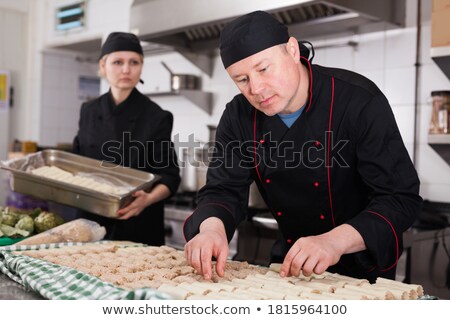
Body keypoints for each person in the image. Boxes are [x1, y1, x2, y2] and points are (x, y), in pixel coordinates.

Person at [183, 11, 422, 282]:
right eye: (242, 80)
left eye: (263, 69)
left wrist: (333, 242)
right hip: (290, 265)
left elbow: (399, 198)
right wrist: (212, 229)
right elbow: (223, 189)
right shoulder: (238, 116)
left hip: (364, 271)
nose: (257, 89)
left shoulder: (358, 101)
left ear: (293, 51)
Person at [73, 32, 180, 245]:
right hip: (89, 222)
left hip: (137, 223)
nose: (126, 69)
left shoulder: (156, 116)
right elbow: (77, 163)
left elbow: (170, 176)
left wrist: (147, 199)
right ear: (103, 66)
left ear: (141, 66)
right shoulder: (89, 110)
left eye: (134, 62)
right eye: (118, 62)